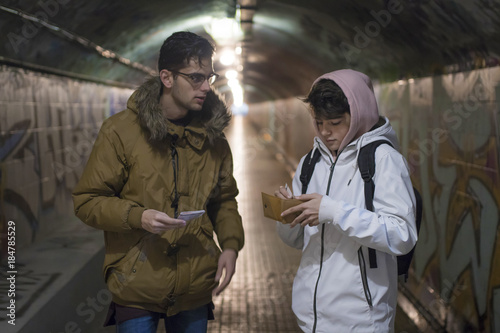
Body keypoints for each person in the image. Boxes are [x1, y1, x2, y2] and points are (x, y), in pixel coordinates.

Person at [72, 31, 244, 333]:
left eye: (209, 77)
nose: (206, 87)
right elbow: (88, 201)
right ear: (166, 77)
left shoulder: (213, 138)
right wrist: (139, 217)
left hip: (195, 281)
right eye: (195, 78)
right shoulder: (121, 132)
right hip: (136, 280)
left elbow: (223, 199)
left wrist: (230, 245)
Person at [274, 69, 418, 332]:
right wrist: (287, 216)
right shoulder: (311, 162)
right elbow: (295, 241)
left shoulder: (383, 160)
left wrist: (333, 211)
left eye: (336, 123)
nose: (325, 133)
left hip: (361, 320)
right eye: (319, 123)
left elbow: (402, 235)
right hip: (310, 318)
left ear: (358, 115)